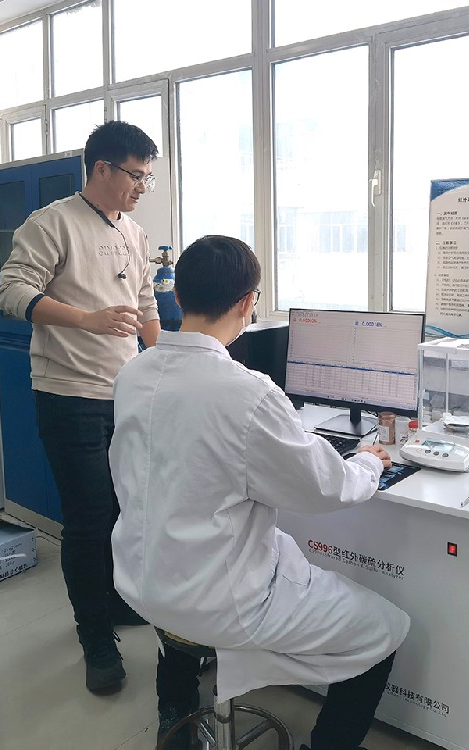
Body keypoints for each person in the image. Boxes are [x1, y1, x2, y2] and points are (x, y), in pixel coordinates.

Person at [108, 235, 410, 750]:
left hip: (142, 581)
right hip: (222, 604)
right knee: (386, 627)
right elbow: (324, 487)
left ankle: (174, 716)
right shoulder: (247, 392)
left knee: (180, 602)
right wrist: (366, 460)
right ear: (249, 302)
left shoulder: (133, 373)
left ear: (176, 296)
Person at [0, 120, 160, 694]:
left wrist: (175, 360)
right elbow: (10, 292)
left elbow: (145, 307)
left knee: (121, 512)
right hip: (69, 395)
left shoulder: (135, 233)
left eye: (148, 178)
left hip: (126, 394)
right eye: (135, 176)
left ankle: (111, 601)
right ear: (101, 169)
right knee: (88, 521)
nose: (141, 187)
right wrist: (86, 319)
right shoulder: (52, 223)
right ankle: (95, 639)